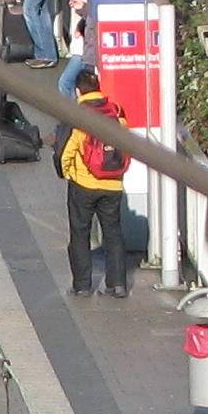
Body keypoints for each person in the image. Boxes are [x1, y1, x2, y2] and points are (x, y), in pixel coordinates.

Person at [58, 68, 132, 297]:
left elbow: (67, 150)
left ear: (79, 90)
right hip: (113, 184)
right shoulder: (116, 112)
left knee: (80, 233)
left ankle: (82, 285)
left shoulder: (79, 115)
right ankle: (117, 284)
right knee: (113, 233)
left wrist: (68, 172)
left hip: (84, 184)